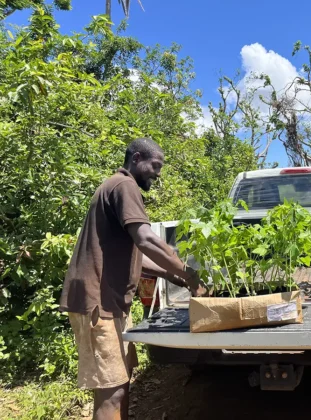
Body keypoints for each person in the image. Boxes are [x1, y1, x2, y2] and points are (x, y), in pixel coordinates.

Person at [60, 137, 206, 419]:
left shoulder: (115, 186)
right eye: (155, 165)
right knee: (111, 391)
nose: (158, 173)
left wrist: (174, 277)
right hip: (96, 305)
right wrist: (188, 272)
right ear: (137, 158)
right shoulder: (124, 185)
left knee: (121, 383)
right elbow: (146, 240)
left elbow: (138, 255)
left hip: (108, 303)